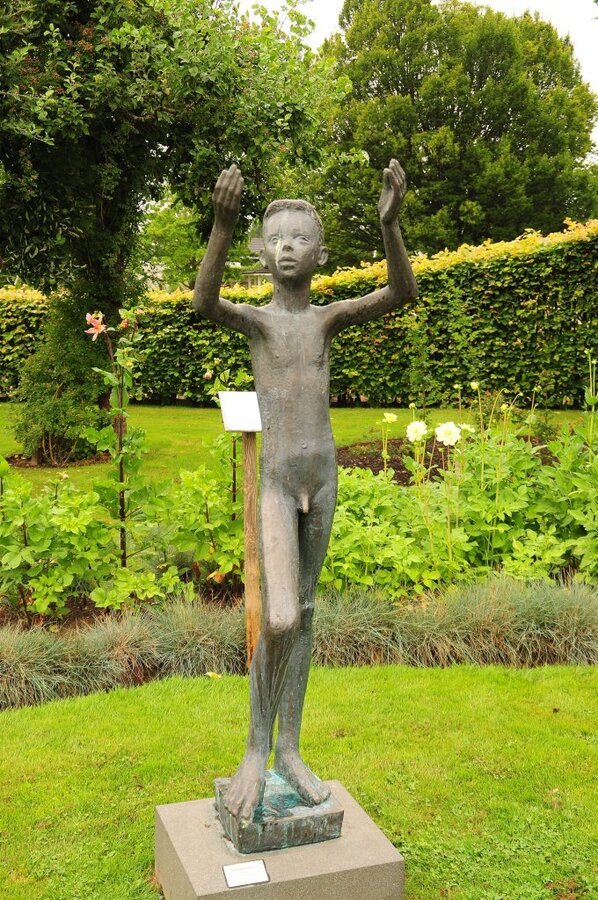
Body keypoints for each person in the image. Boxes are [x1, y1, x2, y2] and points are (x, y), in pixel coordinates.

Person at [194, 159, 418, 823]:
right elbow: (204, 302)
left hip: (323, 480)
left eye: (300, 238)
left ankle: (289, 749)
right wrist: (221, 227)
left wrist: (391, 225)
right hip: (277, 483)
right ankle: (254, 751)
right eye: (277, 238)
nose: (288, 246)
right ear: (261, 254)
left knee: (308, 612)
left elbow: (400, 292)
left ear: (320, 254)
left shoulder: (324, 320)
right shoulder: (259, 323)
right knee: (282, 618)